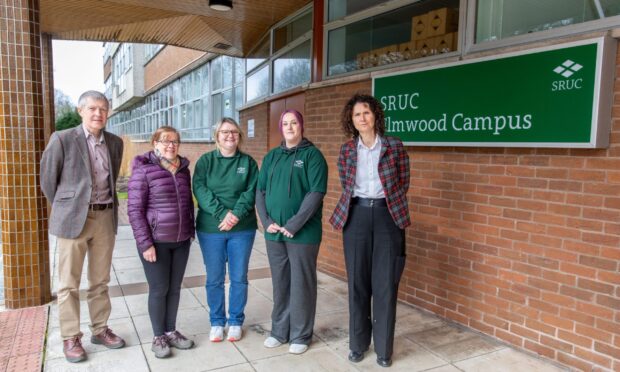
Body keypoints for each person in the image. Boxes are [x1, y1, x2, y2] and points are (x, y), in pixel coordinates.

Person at [40, 90, 125, 363]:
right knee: (68, 284)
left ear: (108, 112)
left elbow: (111, 178)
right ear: (81, 111)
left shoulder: (115, 142)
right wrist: (68, 207)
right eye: (92, 108)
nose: (98, 113)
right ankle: (70, 336)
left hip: (104, 217)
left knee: (100, 280)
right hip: (73, 219)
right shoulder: (62, 139)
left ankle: (100, 329)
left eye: (103, 108)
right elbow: (48, 181)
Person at [329, 93, 410, 368]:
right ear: (351, 121)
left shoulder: (394, 146)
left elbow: (403, 181)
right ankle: (357, 344)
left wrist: (387, 203)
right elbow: (345, 181)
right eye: (356, 115)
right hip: (357, 216)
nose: (362, 118)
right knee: (357, 284)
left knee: (385, 284)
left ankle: (384, 350)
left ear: (375, 115)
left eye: (366, 112)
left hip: (388, 216)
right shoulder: (347, 150)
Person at [255, 109, 328, 355]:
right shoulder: (271, 156)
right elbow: (260, 191)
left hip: (302, 234)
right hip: (274, 232)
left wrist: (294, 225)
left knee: (302, 284)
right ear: (280, 127)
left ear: (301, 126)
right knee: (281, 283)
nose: (289, 127)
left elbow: (315, 193)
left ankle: (301, 335)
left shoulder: (313, 156)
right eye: (285, 123)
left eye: (293, 122)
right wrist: (266, 221)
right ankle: (279, 331)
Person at [127, 126, 195, 358]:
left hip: (181, 240)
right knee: (159, 289)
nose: (170, 145)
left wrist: (190, 230)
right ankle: (158, 336)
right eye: (165, 141)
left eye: (174, 141)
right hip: (156, 241)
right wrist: (145, 244)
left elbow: (187, 203)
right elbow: (135, 211)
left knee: (174, 288)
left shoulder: (184, 170)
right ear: (154, 143)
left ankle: (171, 330)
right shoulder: (143, 170)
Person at [193, 117, 258, 342]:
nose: (230, 136)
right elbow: (200, 190)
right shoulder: (206, 161)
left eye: (234, 132)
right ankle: (217, 322)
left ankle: (236, 321)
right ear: (217, 136)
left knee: (239, 277)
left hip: (243, 229)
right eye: (224, 132)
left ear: (239, 136)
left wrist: (236, 215)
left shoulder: (248, 163)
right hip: (211, 229)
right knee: (215, 278)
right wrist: (223, 214)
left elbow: (251, 192)